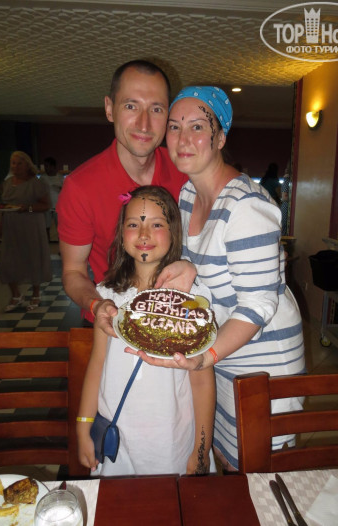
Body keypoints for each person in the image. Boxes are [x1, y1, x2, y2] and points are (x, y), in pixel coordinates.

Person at [124, 87, 305, 472]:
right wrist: (188, 268)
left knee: (257, 469)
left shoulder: (246, 205)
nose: (183, 139)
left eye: (197, 127)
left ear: (220, 137)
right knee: (225, 458)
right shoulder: (188, 195)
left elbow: (257, 306)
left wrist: (204, 357)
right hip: (219, 352)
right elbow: (204, 259)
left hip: (262, 361)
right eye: (174, 127)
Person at [76, 185, 216, 476]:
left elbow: (202, 381)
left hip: (171, 439)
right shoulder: (107, 298)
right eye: (133, 224)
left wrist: (201, 449)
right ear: (121, 233)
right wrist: (82, 425)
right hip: (117, 436)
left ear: (174, 232)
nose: (143, 234)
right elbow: (97, 363)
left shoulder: (191, 301)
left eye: (156, 224)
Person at [56, 60, 191, 326]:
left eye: (156, 109)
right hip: (109, 322)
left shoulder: (186, 174)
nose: (144, 124)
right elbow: (73, 271)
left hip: (176, 320)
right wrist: (97, 304)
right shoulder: (80, 187)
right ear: (109, 109)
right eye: (131, 106)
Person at [0, 151, 52, 311]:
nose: (15, 166)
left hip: (30, 225)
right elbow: (4, 206)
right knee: (8, 260)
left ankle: (36, 294)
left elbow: (46, 205)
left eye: (19, 163)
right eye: (13, 163)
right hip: (11, 225)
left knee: (32, 258)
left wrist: (27, 208)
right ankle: (16, 294)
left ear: (27, 165)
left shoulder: (36, 183)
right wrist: (0, 226)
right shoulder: (7, 183)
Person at [40, 156, 64, 241]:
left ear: (53, 166)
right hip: (47, 206)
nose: (45, 168)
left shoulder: (60, 178)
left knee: (60, 228)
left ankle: (61, 244)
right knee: (46, 226)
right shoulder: (43, 178)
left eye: (47, 166)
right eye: (45, 166)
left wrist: (60, 189)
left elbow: (65, 192)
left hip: (58, 207)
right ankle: (47, 242)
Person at [281, 162, 291, 236]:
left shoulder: (286, 180)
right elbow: (285, 197)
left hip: (285, 205)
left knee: (283, 225)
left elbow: (284, 197)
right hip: (287, 205)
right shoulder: (288, 180)